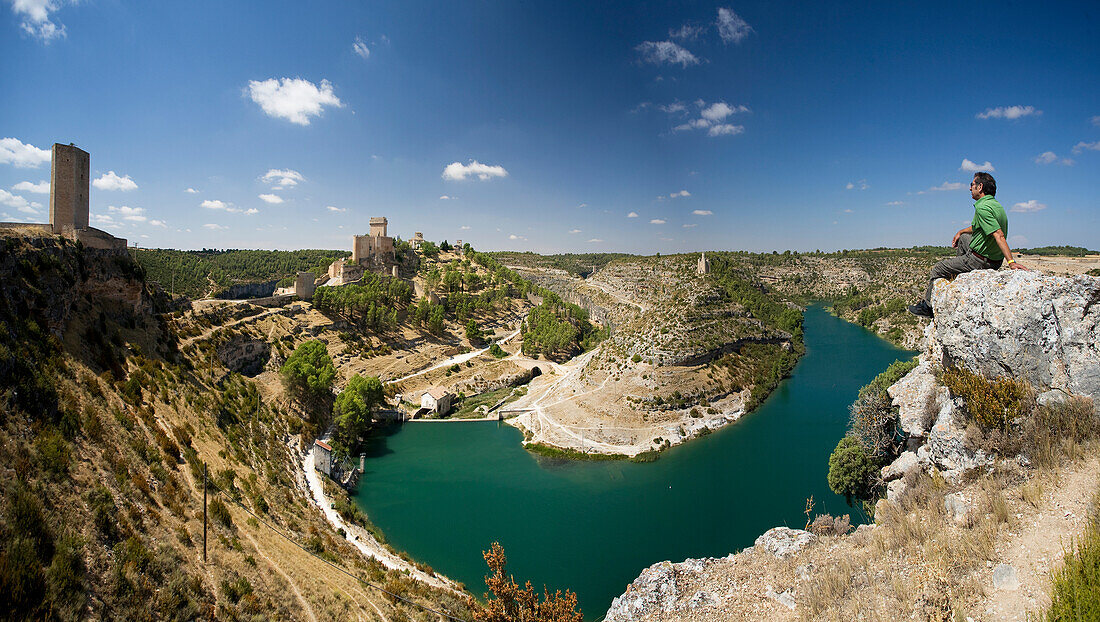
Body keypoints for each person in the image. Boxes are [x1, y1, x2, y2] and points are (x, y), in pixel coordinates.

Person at [908, 172, 1028, 318]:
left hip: (980, 261)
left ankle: (928, 307)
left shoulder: (982, 208)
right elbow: (977, 226)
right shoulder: (995, 205)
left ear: (980, 187)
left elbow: (999, 235)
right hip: (992, 258)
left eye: (972, 185)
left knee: (937, 269)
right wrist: (960, 231)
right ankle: (959, 274)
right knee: (964, 238)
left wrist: (1011, 262)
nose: (970, 188)